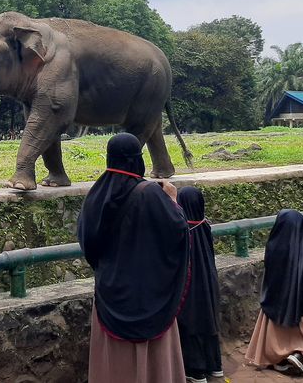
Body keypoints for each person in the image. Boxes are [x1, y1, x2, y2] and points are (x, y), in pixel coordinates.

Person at [77, 133, 190, 383]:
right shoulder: (151, 193)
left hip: (111, 292)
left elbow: (87, 243)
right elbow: (178, 230)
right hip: (150, 294)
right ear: (137, 160)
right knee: (155, 357)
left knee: (114, 362)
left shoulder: (96, 195)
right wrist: (172, 199)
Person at [245, 209, 303, 377]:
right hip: (302, 302)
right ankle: (301, 353)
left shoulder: (272, 248)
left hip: (275, 300)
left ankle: (280, 356)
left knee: (274, 329)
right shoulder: (302, 253)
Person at [176, 186, 224, 383]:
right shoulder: (204, 225)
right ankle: (215, 366)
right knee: (208, 322)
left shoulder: (183, 229)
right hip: (208, 283)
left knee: (191, 322)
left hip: (190, 286)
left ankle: (196, 371)